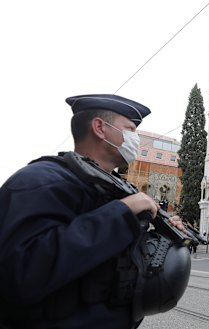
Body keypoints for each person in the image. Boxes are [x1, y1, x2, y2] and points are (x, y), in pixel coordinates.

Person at [0, 94, 190, 329]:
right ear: (100, 128)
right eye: (130, 129)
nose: (136, 139)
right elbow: (21, 274)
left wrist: (166, 237)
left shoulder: (118, 190)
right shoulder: (39, 181)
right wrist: (121, 214)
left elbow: (126, 266)